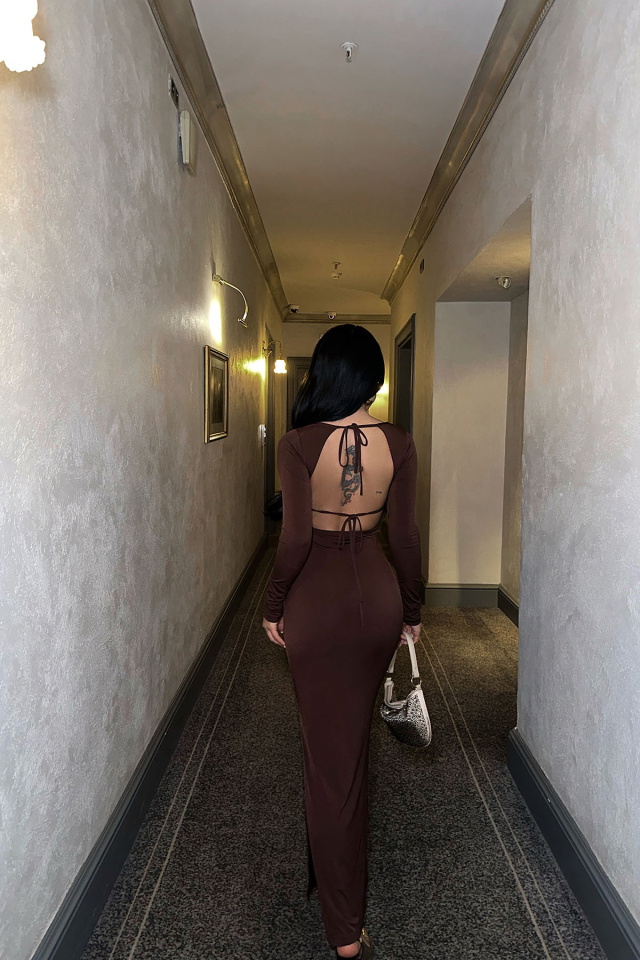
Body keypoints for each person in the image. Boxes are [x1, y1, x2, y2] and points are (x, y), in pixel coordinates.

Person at [262, 324, 422, 959]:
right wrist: (412, 610)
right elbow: (403, 538)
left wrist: (273, 604)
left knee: (330, 767)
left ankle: (344, 933)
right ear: (374, 378)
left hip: (318, 605)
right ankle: (329, 876)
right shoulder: (400, 443)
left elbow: (296, 540)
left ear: (324, 376)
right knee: (346, 751)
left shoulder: (298, 444)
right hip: (377, 598)